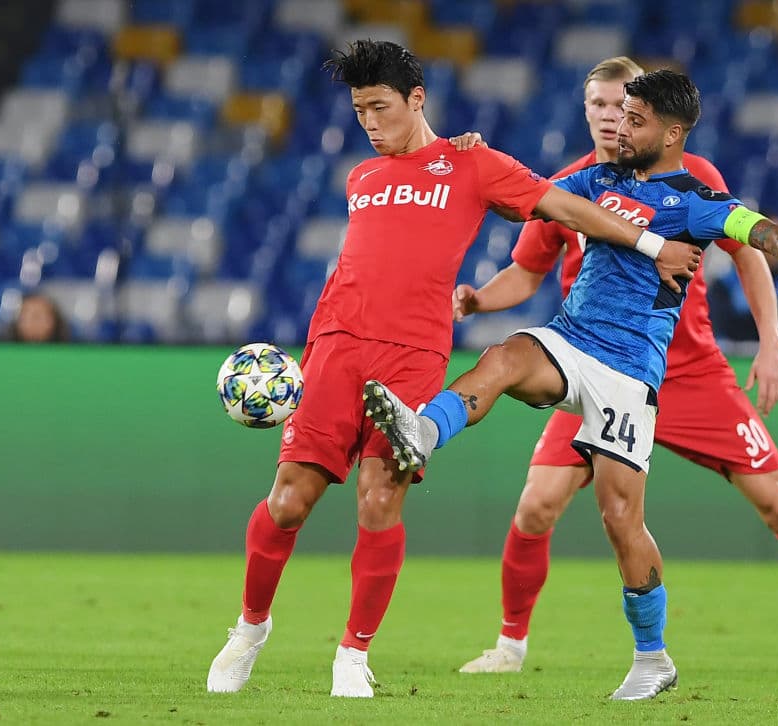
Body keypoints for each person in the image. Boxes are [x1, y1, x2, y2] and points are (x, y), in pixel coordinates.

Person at [205, 40, 704, 699]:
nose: (370, 123)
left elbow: (562, 207)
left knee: (380, 497)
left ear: (417, 100)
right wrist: (310, 353)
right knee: (289, 499)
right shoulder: (362, 178)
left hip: (412, 355)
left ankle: (352, 656)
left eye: (380, 107)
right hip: (333, 347)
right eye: (359, 112)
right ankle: (249, 629)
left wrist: (650, 242)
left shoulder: (470, 163)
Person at [365, 69, 778, 700]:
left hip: (629, 371)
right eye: (615, 113)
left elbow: (756, 230)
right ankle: (419, 431)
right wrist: (460, 151)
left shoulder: (692, 199)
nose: (619, 126)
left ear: (672, 132)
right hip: (570, 339)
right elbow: (524, 194)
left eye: (634, 119)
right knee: (502, 360)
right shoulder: (594, 180)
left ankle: (653, 656)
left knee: (619, 518)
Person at [449, 58, 778, 684]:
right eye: (601, 106)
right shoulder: (571, 185)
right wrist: (477, 299)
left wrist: (770, 340)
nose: (613, 118)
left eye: (625, 108)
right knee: (536, 507)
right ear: (586, 111)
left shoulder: (690, 181)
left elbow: (746, 249)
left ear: (655, 122)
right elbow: (525, 272)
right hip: (592, 363)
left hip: (688, 372)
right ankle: (510, 645)